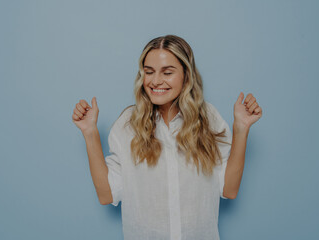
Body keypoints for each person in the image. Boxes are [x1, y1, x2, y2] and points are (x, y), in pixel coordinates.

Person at [72, 35, 262, 240]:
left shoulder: (209, 119)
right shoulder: (128, 124)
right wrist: (89, 132)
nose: (155, 81)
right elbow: (107, 194)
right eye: (149, 72)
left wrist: (241, 128)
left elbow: (229, 189)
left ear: (186, 76)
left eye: (167, 72)